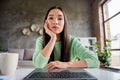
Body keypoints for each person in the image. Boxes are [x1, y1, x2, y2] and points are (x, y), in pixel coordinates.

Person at [32, 6, 100, 69]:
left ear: (64, 23)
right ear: (46, 23)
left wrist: (66, 64)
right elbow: (39, 65)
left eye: (60, 18)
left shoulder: (72, 41)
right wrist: (53, 38)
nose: (55, 22)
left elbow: (95, 61)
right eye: (51, 18)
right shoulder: (40, 40)